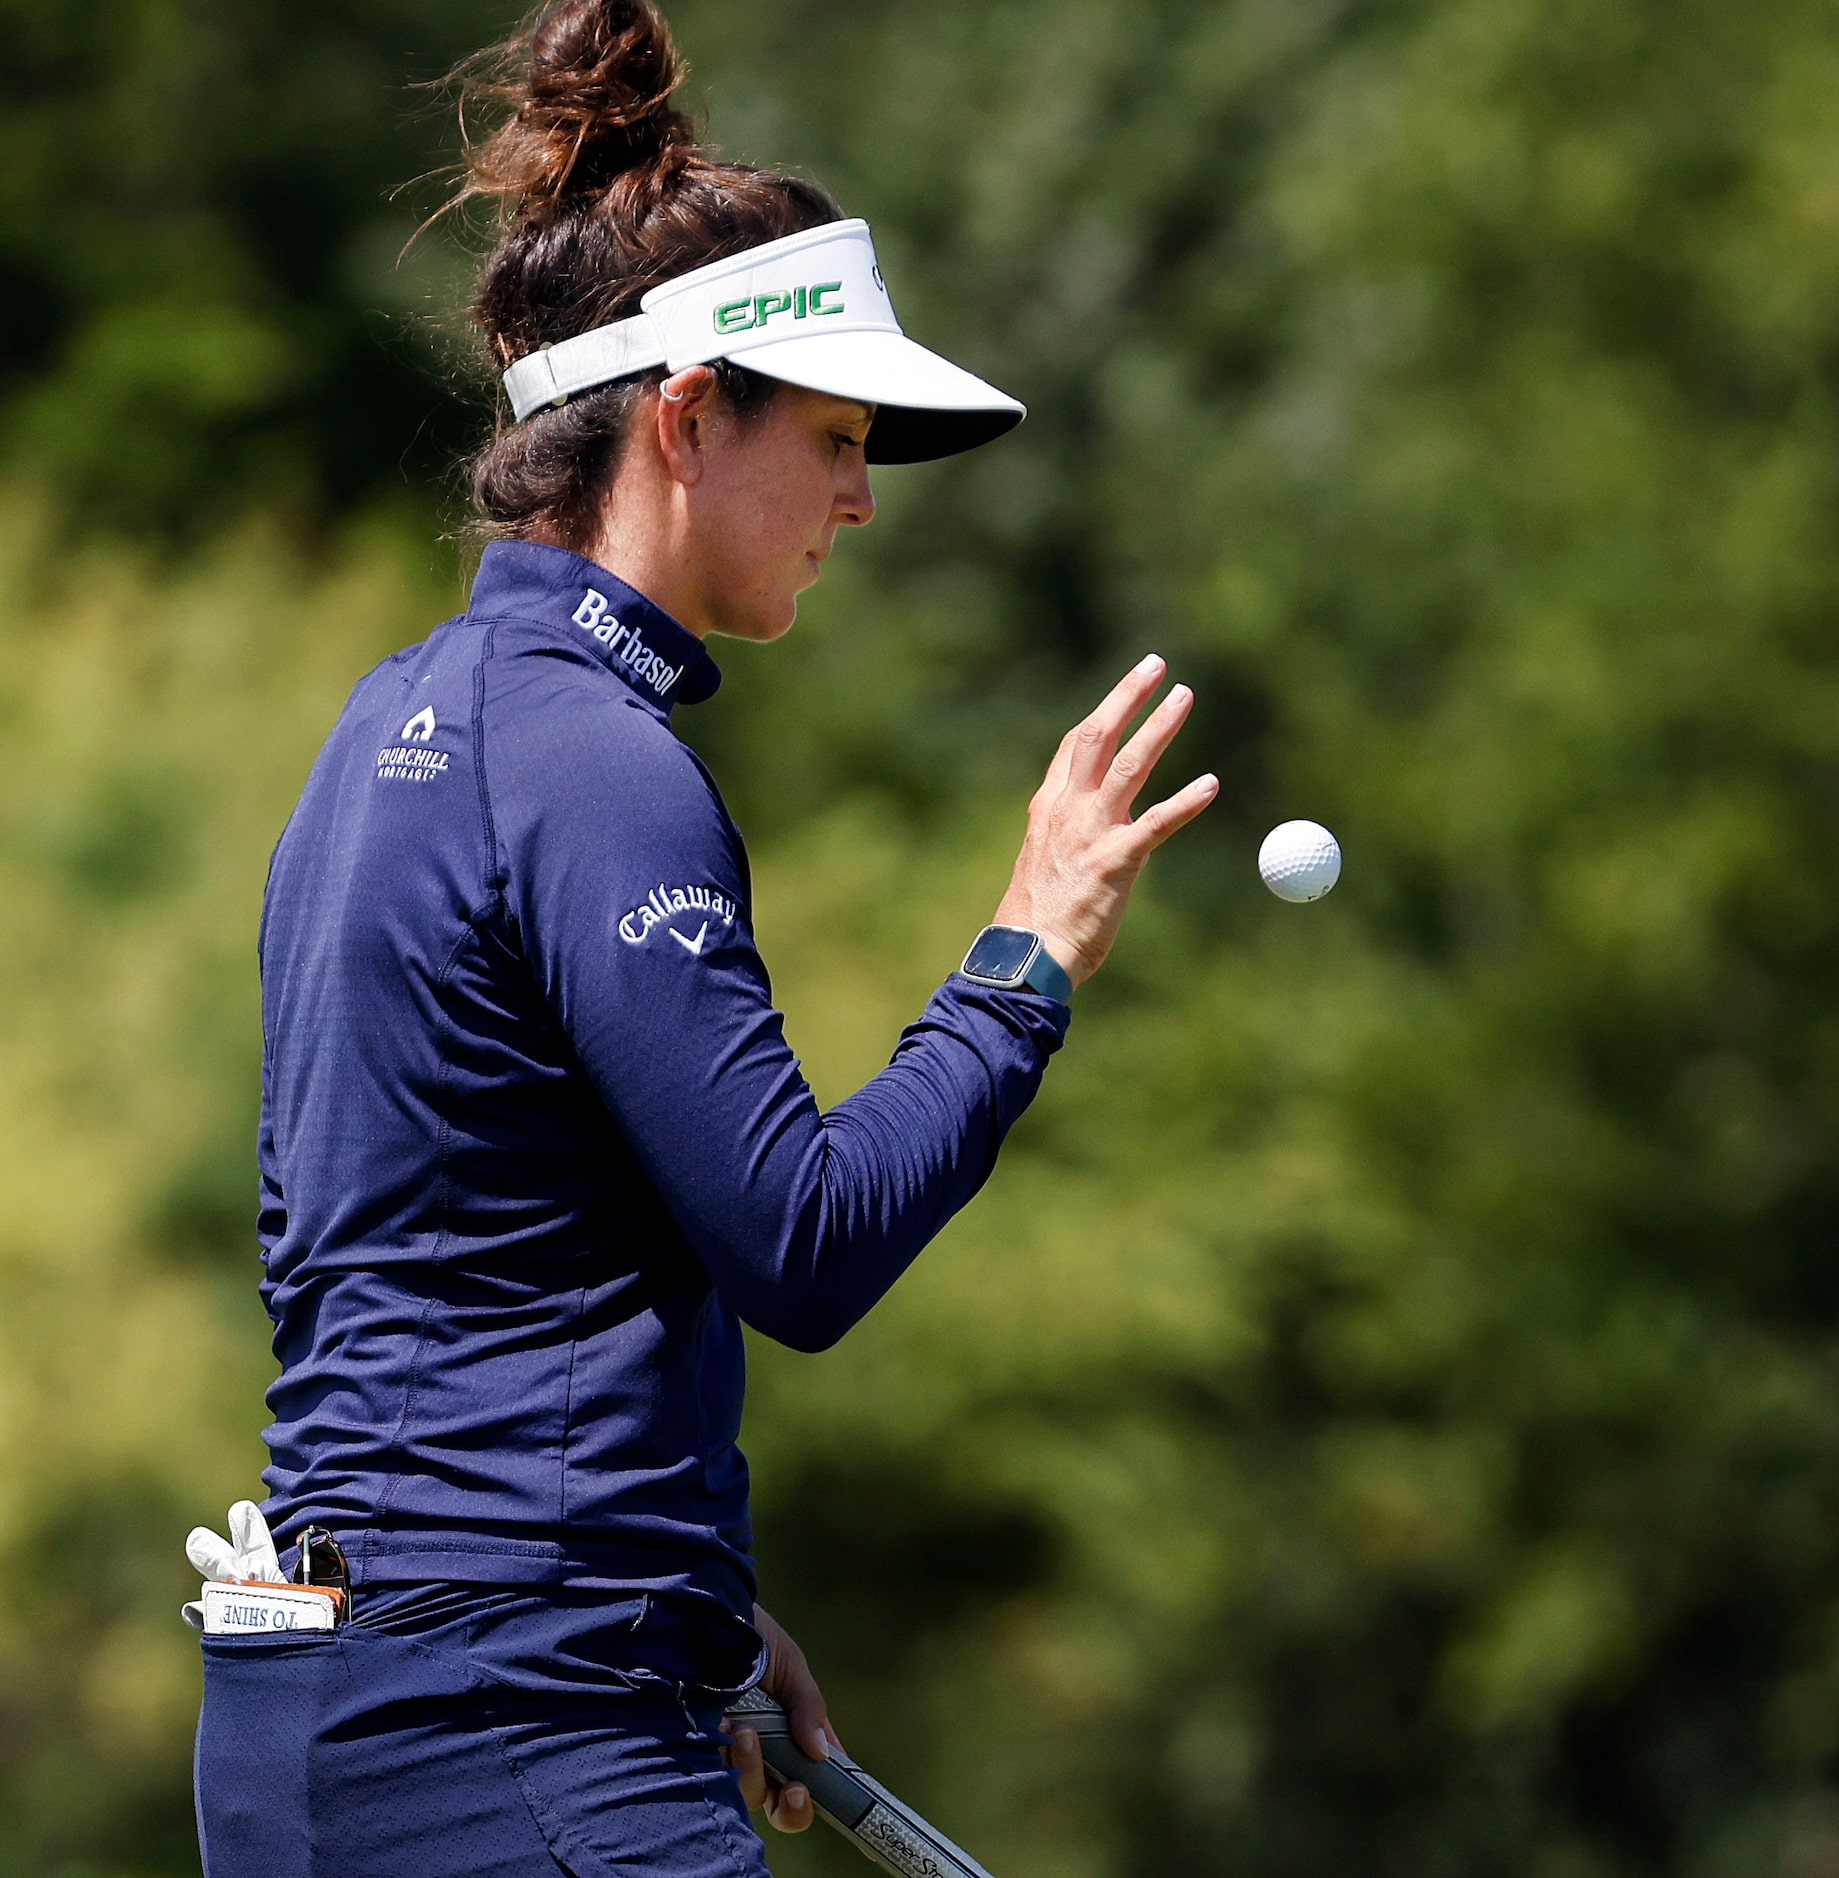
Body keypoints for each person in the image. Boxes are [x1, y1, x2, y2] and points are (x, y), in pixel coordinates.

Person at [189, 1, 1216, 1871]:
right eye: (830, 436)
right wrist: (1024, 958)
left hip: (317, 1719)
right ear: (681, 415)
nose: (852, 497)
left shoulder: (381, 729)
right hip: (515, 1731)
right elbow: (800, 1243)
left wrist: (664, 1590)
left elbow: (414, 1252)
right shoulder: (599, 766)